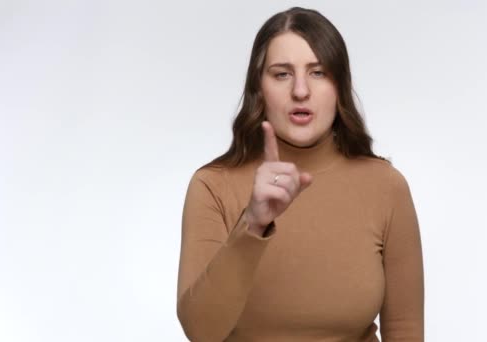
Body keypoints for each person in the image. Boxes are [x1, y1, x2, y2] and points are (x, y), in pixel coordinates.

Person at [176, 7, 424, 342]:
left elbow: (405, 331)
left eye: (318, 72)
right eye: (282, 74)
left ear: (340, 86)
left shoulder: (385, 187)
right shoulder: (212, 186)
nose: (301, 91)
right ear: (258, 88)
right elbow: (200, 331)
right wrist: (253, 224)